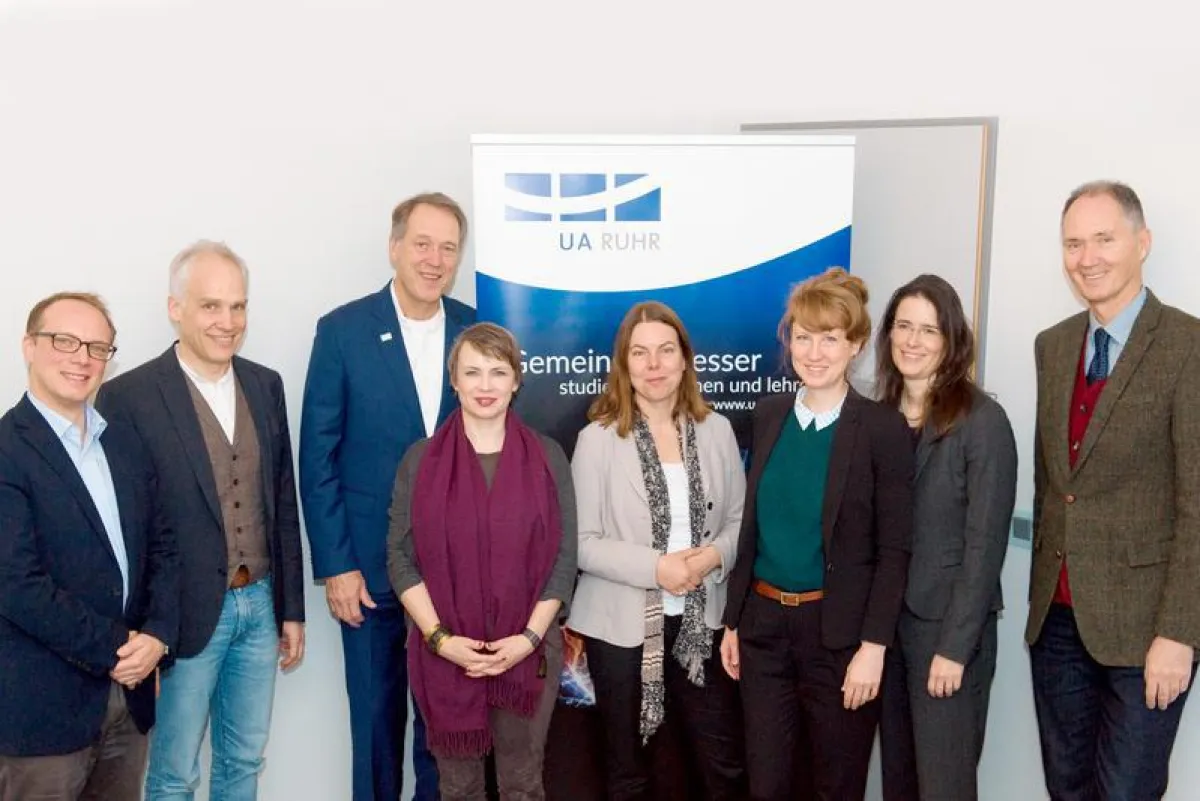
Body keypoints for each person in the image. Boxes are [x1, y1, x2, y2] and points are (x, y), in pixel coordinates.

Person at [95, 241, 306, 800]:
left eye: (238, 307)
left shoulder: (266, 385)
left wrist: (290, 608)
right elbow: (126, 528)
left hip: (259, 606)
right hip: (180, 617)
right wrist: (143, 626)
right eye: (212, 306)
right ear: (175, 308)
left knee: (243, 760)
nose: (228, 321)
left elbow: (282, 502)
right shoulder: (127, 397)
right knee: (173, 772)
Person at [1027, 180, 1200, 801]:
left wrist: (1180, 632)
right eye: (1073, 243)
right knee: (1066, 788)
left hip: (1146, 628)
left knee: (1127, 791)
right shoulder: (1053, 346)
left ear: (1142, 243)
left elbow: (1197, 504)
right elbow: (1055, 486)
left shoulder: (1189, 346)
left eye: (1104, 238)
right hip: (1057, 623)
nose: (1087, 257)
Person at [300, 191, 476, 800]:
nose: (435, 259)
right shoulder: (343, 331)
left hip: (456, 578)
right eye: (422, 244)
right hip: (368, 575)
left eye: (448, 248)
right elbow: (316, 457)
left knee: (445, 734)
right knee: (375, 730)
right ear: (394, 247)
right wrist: (336, 567)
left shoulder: (477, 332)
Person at [722, 267, 914, 801]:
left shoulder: (882, 429)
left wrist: (873, 647)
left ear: (855, 345)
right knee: (767, 784)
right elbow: (753, 527)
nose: (814, 352)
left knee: (834, 786)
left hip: (839, 636)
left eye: (829, 338)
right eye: (803, 337)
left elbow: (895, 550)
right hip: (762, 631)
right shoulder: (769, 416)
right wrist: (733, 620)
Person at [386, 322, 576, 801]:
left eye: (498, 371)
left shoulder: (548, 457)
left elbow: (564, 557)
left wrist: (528, 639)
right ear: (454, 381)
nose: (485, 385)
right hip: (446, 655)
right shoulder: (420, 460)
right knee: (459, 788)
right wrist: (440, 639)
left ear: (516, 380)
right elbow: (399, 557)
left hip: (527, 653)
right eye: (473, 372)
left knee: (522, 785)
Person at [0, 292, 179, 801]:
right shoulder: (7, 450)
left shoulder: (123, 443)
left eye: (98, 347)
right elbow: (16, 585)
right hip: (42, 714)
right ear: (29, 347)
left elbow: (164, 548)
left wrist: (159, 636)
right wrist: (121, 648)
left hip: (130, 699)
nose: (82, 357)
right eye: (65, 341)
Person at [566, 301, 747, 801]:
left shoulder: (717, 431)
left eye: (666, 351)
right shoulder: (597, 439)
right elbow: (582, 543)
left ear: (685, 359)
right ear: (624, 365)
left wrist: (712, 557)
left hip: (701, 624)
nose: (654, 365)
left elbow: (738, 523)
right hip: (622, 629)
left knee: (722, 765)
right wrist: (657, 568)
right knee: (629, 772)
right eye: (640, 353)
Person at [874, 274, 1018, 801]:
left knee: (945, 787)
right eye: (903, 327)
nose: (912, 341)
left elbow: (984, 548)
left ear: (951, 340)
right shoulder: (879, 416)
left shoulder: (983, 422)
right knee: (900, 784)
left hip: (948, 637)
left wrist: (955, 649)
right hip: (889, 635)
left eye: (928, 331)